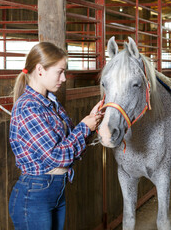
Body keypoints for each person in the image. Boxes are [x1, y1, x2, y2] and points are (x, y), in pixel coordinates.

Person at [8, 42, 103, 230]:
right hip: (35, 194)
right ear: (40, 69)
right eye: (60, 72)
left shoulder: (51, 103)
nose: (64, 78)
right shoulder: (28, 107)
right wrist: (84, 127)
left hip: (55, 191)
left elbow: (70, 144)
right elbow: (57, 156)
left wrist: (91, 124)